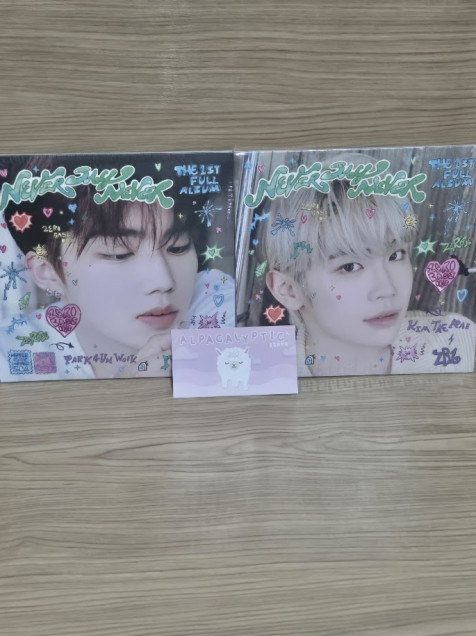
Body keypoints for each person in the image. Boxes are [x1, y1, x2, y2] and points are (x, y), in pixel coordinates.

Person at [0, 154, 235, 381]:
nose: (164, 281)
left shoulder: (215, 300)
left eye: (178, 247)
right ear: (47, 272)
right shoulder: (11, 356)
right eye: (119, 254)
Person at [248, 153, 476, 376]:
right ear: (288, 289)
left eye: (395, 255)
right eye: (349, 266)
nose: (387, 289)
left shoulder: (459, 342)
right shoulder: (259, 376)